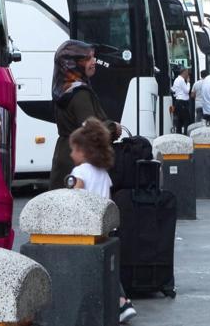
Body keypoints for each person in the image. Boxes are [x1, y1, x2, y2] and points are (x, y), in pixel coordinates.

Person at [66, 117, 137, 323]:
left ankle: (121, 302)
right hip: (105, 228)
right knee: (107, 267)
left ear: (84, 151)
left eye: (74, 150)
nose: (71, 154)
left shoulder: (79, 172)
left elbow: (76, 197)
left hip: (86, 227)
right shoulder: (103, 173)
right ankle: (121, 303)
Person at [50, 40, 120, 190]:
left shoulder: (63, 90)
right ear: (73, 64)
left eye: (93, 57)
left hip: (64, 157)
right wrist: (114, 127)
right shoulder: (80, 94)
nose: (94, 62)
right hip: (80, 160)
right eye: (87, 59)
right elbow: (90, 130)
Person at [172, 67, 191, 134]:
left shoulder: (176, 79)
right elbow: (187, 91)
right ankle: (185, 134)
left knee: (179, 120)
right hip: (182, 102)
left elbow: (174, 90)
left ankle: (179, 134)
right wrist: (188, 83)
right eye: (187, 73)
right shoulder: (181, 80)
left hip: (178, 101)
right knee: (186, 120)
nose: (188, 75)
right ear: (184, 72)